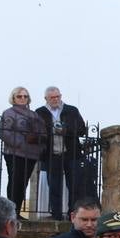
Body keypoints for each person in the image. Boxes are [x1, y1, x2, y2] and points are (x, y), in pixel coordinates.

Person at [35, 87, 87, 220]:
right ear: (46, 98)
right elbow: (36, 132)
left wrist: (65, 130)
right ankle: (56, 215)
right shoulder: (40, 112)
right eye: (52, 97)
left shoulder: (71, 110)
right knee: (54, 186)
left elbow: (82, 129)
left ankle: (72, 214)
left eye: (58, 96)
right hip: (51, 154)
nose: (56, 99)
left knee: (74, 186)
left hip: (71, 153)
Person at [0, 87, 43, 216]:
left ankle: (16, 211)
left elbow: (42, 133)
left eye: (25, 96)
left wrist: (39, 146)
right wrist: (20, 143)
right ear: (13, 98)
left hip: (31, 154)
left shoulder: (34, 115)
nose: (23, 98)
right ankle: (10, 212)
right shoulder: (9, 113)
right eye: (19, 96)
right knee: (14, 181)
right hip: (14, 152)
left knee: (23, 183)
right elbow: (3, 132)